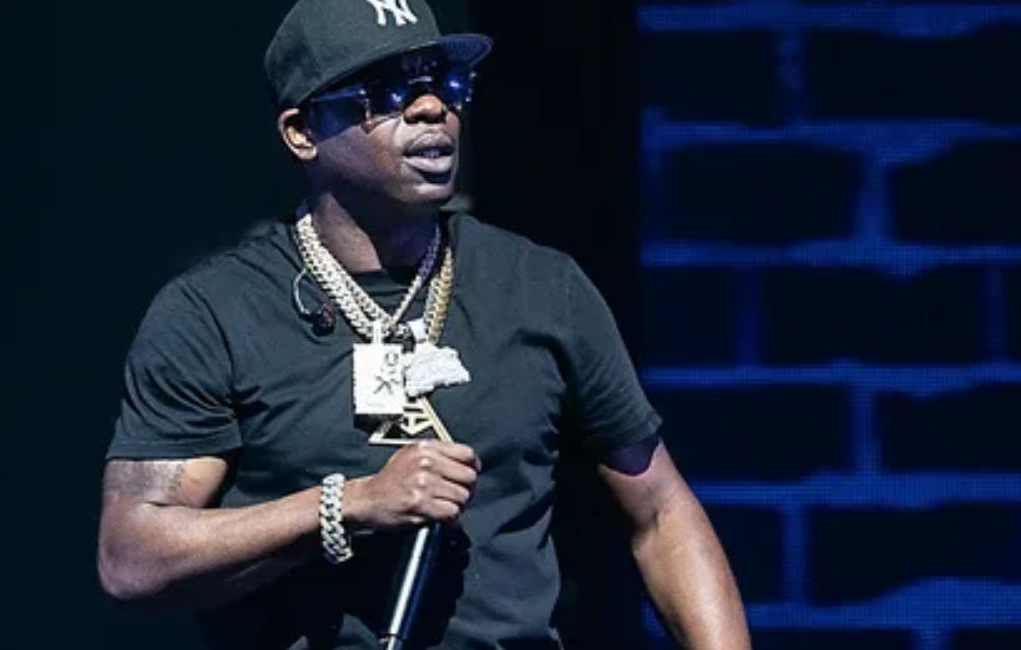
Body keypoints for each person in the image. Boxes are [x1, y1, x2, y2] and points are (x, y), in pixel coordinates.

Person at [97, 1, 750, 648]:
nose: (432, 108)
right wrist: (349, 505)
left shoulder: (541, 287)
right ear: (302, 132)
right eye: (387, 92)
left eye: (446, 83)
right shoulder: (217, 312)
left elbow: (659, 512)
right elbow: (133, 558)